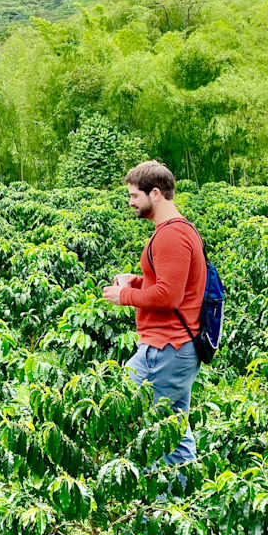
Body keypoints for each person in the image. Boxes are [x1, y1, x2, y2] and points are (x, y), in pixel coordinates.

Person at [102, 160, 206, 465]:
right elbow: (169, 283)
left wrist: (126, 296)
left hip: (168, 347)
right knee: (172, 425)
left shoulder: (172, 236)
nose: (130, 202)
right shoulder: (174, 231)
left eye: (135, 195)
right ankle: (183, 497)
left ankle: (163, 504)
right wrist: (134, 281)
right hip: (165, 346)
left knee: (152, 424)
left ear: (155, 194)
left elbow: (169, 295)